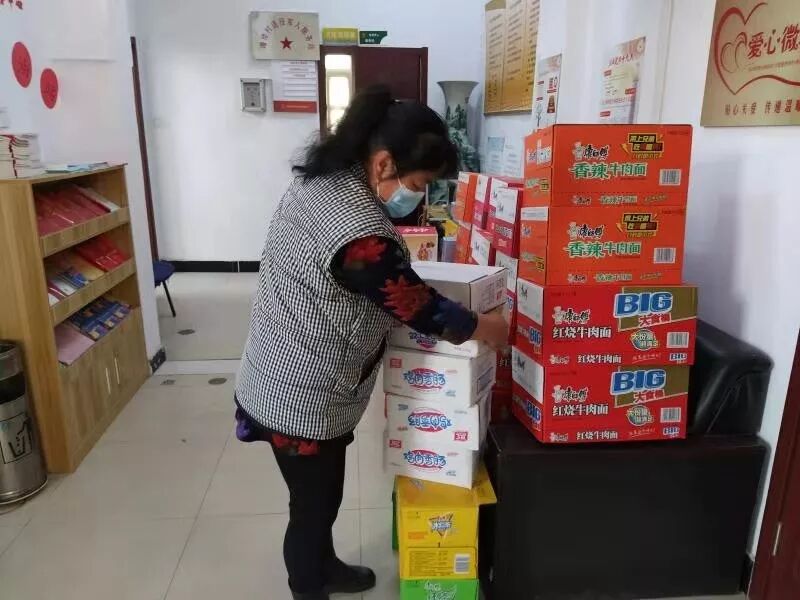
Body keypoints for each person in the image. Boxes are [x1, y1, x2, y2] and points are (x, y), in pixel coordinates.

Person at [234, 85, 509, 600]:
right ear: (383, 163)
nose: (417, 196)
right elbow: (418, 306)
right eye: (418, 183)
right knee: (311, 505)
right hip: (300, 392)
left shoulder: (324, 179)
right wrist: (488, 328)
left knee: (323, 494)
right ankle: (308, 586)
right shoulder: (358, 231)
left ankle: (326, 566)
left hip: (281, 364)